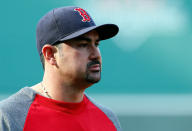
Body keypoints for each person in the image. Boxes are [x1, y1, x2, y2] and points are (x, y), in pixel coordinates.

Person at [0, 6, 121, 131]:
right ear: (50, 54)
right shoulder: (11, 116)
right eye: (83, 45)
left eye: (96, 44)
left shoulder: (108, 119)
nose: (96, 54)